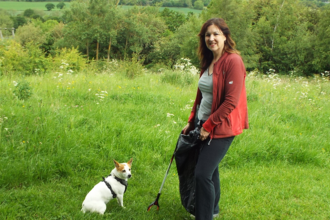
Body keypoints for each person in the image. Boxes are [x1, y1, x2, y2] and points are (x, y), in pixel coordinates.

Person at [182, 18, 249, 220]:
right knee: (210, 170)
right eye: (207, 35)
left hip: (222, 127)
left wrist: (208, 126)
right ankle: (213, 210)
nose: (211, 38)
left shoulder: (233, 61)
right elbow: (201, 96)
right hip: (202, 123)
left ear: (225, 36)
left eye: (216, 34)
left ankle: (205, 217)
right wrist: (192, 121)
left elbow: (230, 102)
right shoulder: (209, 61)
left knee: (202, 174)